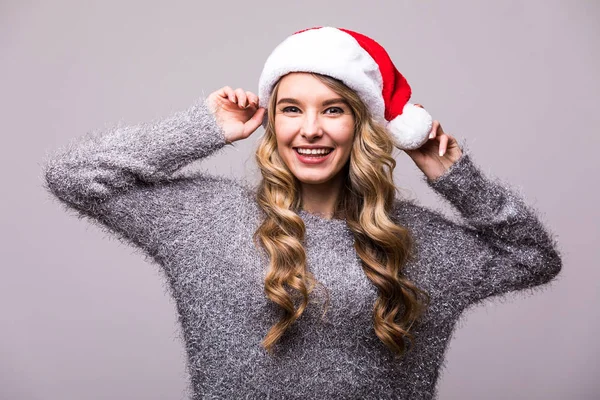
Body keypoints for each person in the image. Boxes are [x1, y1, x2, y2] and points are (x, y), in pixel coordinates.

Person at [41, 26, 563, 399]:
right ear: (272, 120)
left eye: (332, 109)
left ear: (364, 126)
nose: (309, 129)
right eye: (292, 108)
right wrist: (206, 128)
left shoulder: (417, 242)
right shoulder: (205, 218)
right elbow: (74, 175)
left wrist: (454, 175)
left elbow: (533, 258)